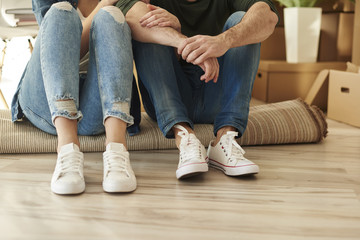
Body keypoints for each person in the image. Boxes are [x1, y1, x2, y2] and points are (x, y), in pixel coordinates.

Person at [115, 0, 279, 179]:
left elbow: (268, 17)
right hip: (169, 96)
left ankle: (224, 140)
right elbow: (130, 13)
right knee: (150, 22)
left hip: (217, 96)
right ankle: (184, 137)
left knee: (243, 21)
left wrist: (223, 41)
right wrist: (182, 40)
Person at [11, 0, 137, 195]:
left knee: (111, 16)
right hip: (47, 100)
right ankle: (67, 150)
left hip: (98, 106)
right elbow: (59, 47)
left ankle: (117, 151)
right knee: (61, 12)